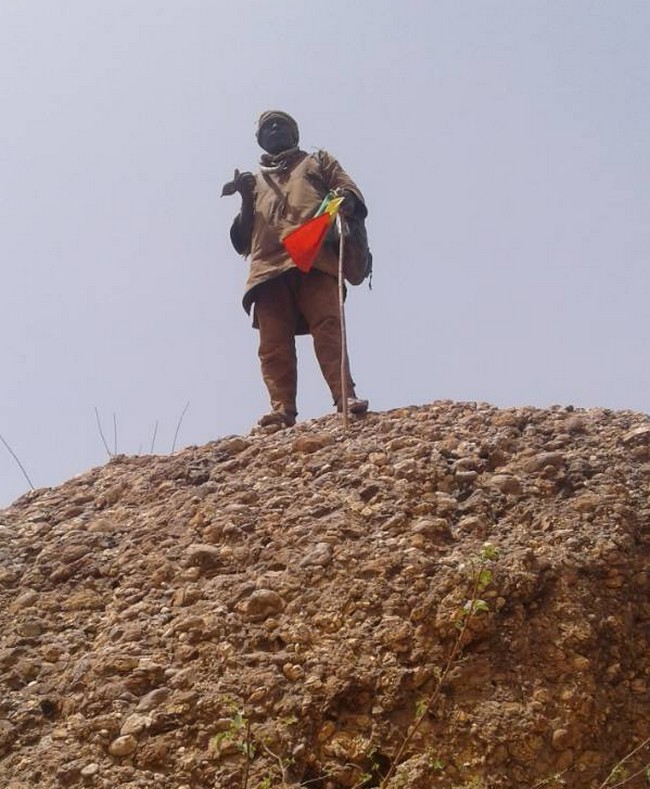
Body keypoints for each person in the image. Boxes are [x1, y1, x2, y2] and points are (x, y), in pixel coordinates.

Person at [223, 110, 369, 428]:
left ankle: (346, 397)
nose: (275, 129)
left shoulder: (317, 161)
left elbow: (349, 190)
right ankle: (281, 409)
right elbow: (240, 239)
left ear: (295, 134)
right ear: (260, 139)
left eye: (282, 125)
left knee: (328, 327)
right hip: (268, 268)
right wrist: (246, 199)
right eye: (268, 127)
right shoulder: (255, 180)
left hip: (315, 258)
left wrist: (344, 200)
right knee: (273, 345)